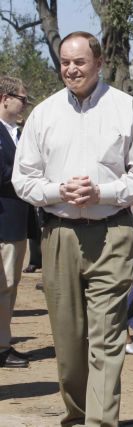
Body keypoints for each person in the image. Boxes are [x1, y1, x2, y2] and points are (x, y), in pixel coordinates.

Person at [12, 31, 133, 426]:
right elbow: (23, 180)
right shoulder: (43, 114)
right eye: (65, 62)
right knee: (70, 347)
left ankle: (99, 423)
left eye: (79, 62)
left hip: (112, 232)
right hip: (58, 235)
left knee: (106, 340)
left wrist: (101, 192)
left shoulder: (126, 109)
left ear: (98, 63)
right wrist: (58, 189)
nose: (71, 69)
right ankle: (77, 416)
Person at [0, 76, 30, 368]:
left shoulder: (18, 133)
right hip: (4, 221)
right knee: (4, 284)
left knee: (11, 284)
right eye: (23, 98)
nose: (25, 104)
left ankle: (4, 340)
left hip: (18, 221)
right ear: (5, 98)